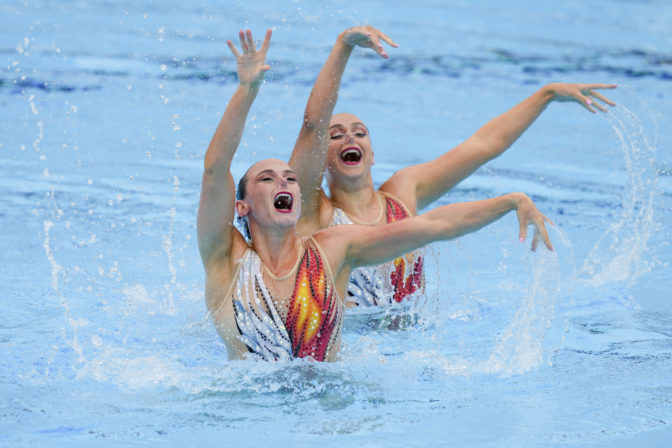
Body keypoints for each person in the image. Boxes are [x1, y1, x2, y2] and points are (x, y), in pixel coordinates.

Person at [198, 28, 553, 362]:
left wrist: (508, 202)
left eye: (291, 178)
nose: (285, 184)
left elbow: (431, 226)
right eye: (267, 178)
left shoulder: (334, 248)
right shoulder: (224, 259)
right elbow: (216, 169)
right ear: (241, 206)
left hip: (332, 406)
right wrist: (247, 91)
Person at [288, 28, 617, 307]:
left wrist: (545, 95)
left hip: (412, 347)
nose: (350, 137)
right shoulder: (314, 213)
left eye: (360, 132)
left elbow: (482, 146)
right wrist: (343, 45)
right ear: (322, 159)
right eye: (336, 136)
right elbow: (311, 127)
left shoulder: (404, 191)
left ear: (372, 155)